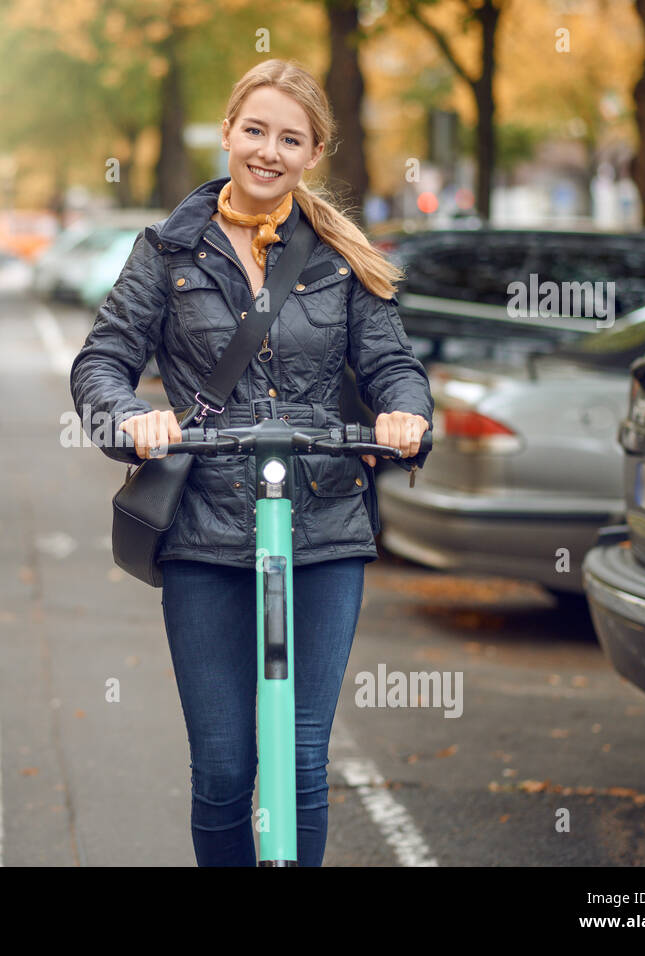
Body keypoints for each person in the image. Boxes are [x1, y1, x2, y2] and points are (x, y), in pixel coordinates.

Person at [69, 58, 434, 866]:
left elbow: (392, 364)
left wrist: (406, 413)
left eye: (291, 138)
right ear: (230, 131)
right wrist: (135, 420)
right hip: (203, 528)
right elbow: (100, 364)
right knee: (227, 769)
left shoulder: (340, 254)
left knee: (302, 760)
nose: (270, 150)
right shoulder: (167, 251)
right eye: (257, 130)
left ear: (313, 152)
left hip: (324, 523)